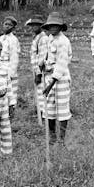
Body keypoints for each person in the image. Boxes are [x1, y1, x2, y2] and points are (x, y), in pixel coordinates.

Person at [41, 13, 73, 144]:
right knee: (49, 107)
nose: (53, 28)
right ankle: (52, 134)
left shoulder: (63, 42)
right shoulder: (49, 38)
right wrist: (42, 64)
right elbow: (46, 56)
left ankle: (62, 138)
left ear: (61, 27)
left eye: (56, 25)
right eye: (51, 26)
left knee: (62, 107)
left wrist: (51, 84)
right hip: (49, 75)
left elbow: (62, 63)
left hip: (61, 78)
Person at [26, 15, 48, 117]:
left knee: (42, 91)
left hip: (41, 70)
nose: (33, 27)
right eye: (32, 25)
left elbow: (42, 57)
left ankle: (44, 114)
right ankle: (40, 112)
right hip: (36, 69)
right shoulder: (36, 38)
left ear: (41, 26)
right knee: (39, 92)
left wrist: (38, 73)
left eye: (36, 25)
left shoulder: (43, 38)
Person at [0, 16, 20, 102]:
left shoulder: (13, 40)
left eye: (10, 25)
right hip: (0, 67)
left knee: (11, 93)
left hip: (8, 68)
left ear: (13, 28)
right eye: (5, 24)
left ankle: (11, 111)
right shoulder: (1, 38)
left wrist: (11, 74)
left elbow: (14, 59)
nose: (7, 26)